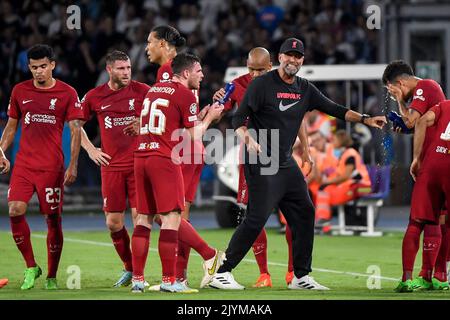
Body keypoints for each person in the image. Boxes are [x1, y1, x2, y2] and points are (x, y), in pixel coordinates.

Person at [208, 38, 386, 290]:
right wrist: (247, 138)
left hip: (285, 161)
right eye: (288, 55)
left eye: (298, 56)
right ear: (279, 58)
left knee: (305, 212)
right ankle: (222, 273)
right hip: (261, 159)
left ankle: (301, 276)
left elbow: (334, 108)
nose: (293, 60)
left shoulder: (305, 88)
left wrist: (365, 119)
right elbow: (238, 118)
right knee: (256, 218)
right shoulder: (261, 85)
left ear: (302, 60)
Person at [130, 52, 224, 293]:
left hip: (141, 156)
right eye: (198, 71)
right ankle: (170, 281)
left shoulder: (154, 89)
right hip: (163, 159)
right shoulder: (184, 94)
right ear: (185, 73)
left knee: (143, 219)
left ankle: (138, 279)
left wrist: (198, 117)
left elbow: (169, 122)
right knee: (172, 218)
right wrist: (211, 118)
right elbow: (193, 135)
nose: (202, 75)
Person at [0, 44, 83, 290]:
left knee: (53, 220)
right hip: (24, 165)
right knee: (15, 209)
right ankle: (31, 267)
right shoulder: (19, 91)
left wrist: (73, 165)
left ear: (53, 66)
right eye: (34, 67)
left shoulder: (67, 93)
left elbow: (75, 129)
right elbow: (11, 127)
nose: (38, 72)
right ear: (29, 67)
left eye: (43, 66)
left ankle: (52, 276)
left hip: (52, 168)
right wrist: (1, 152)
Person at [213, 47, 295, 288]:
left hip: (281, 155)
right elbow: (218, 115)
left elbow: (299, 117)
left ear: (270, 66)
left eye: (261, 69)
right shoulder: (237, 85)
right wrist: (217, 101)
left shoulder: (285, 83)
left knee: (292, 214)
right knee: (252, 216)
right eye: (251, 69)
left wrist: (307, 151)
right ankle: (264, 274)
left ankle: (293, 272)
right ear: (246, 66)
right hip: (250, 156)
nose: (256, 74)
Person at [79, 50, 150, 287]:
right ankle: (130, 268)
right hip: (111, 167)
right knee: (113, 223)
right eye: (121, 68)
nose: (126, 72)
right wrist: (91, 149)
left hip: (139, 164)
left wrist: (143, 123)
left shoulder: (143, 92)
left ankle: (140, 276)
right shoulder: (94, 96)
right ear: (109, 70)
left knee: (140, 219)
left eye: (128, 68)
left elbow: (163, 119)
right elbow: (74, 124)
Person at [383, 60, 449, 291]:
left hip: (432, 164)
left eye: (392, 89)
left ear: (399, 83)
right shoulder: (434, 95)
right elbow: (416, 122)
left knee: (419, 220)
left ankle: (409, 277)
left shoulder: (425, 86)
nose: (393, 95)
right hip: (443, 159)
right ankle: (436, 275)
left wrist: (416, 158)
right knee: (440, 221)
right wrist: (407, 124)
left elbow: (414, 120)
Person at [409, 100, 450, 291]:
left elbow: (422, 120)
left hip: (433, 165)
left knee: (425, 219)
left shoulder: (445, 105)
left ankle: (423, 274)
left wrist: (417, 158)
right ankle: (441, 274)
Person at [314, 130, 372, 234]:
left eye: (335, 140)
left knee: (326, 190)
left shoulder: (350, 154)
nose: (333, 142)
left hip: (362, 186)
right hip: (353, 185)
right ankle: (323, 219)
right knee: (325, 189)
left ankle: (323, 220)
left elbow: (345, 176)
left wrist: (328, 182)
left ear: (341, 140)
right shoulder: (345, 153)